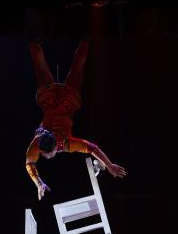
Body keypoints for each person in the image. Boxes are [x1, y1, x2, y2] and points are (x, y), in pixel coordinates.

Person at [25, 40, 126, 199]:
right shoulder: (38, 142)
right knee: (40, 66)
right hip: (49, 99)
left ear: (54, 148)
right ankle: (32, 37)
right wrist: (39, 183)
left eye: (46, 154)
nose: (45, 156)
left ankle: (86, 38)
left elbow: (92, 148)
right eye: (45, 154)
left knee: (78, 66)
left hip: (68, 101)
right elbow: (30, 162)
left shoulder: (66, 144)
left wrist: (109, 165)